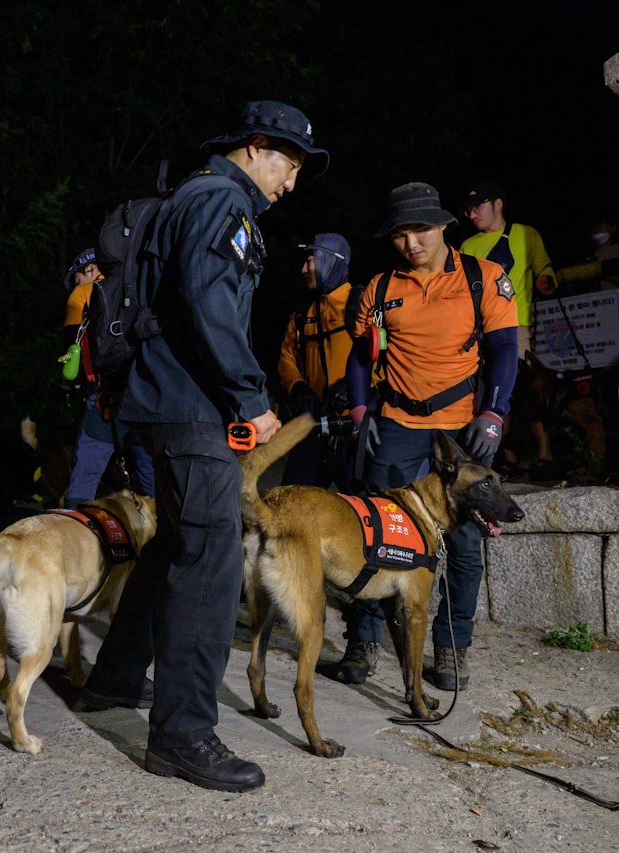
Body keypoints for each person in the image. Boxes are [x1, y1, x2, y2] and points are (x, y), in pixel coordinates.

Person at [80, 100, 328, 793]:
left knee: (172, 546)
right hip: (189, 404)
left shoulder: (190, 195)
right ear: (257, 146)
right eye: (289, 164)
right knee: (212, 556)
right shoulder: (224, 200)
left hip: (156, 400)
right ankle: (184, 733)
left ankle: (113, 680)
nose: (290, 183)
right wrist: (252, 396)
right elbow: (209, 303)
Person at [335, 182, 518, 691]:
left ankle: (452, 649)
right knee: (377, 533)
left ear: (443, 226)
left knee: (461, 543)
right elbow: (360, 354)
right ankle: (364, 640)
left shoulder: (484, 278)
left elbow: (504, 348)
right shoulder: (379, 288)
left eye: (420, 230)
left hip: (461, 430)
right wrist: (357, 411)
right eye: (399, 234)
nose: (411, 243)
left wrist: (494, 413)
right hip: (395, 424)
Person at [460, 180, 556, 476]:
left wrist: (547, 281)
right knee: (488, 390)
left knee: (524, 389)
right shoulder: (468, 246)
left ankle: (544, 451)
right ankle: (503, 454)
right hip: (478, 329)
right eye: (468, 210)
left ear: (498, 203)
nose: (472, 214)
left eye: (478, 207)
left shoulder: (526, 235)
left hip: (516, 326)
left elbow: (545, 270)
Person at [60, 248, 155, 505]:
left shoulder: (82, 295)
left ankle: (74, 530)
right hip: (147, 396)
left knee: (86, 471)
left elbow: (73, 351)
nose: (76, 284)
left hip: (104, 398)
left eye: (77, 277)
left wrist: (76, 387)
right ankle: (156, 534)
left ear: (90, 269)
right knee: (150, 474)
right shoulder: (142, 287)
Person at [275, 233, 355, 489]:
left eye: (311, 261)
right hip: (315, 426)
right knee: (293, 499)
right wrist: (298, 387)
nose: (304, 269)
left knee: (363, 507)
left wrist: (353, 390)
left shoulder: (361, 304)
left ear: (331, 261)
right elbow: (287, 356)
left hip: (352, 428)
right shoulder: (303, 313)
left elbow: (384, 356)